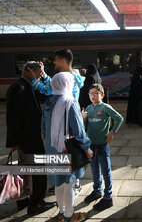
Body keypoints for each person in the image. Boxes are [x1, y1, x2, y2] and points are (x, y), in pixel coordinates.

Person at [23, 49, 85, 193]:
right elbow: (54, 85)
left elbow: (47, 90)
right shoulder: (72, 76)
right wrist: (44, 74)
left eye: (56, 60)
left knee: (64, 153)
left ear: (63, 60)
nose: (54, 62)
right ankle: (70, 182)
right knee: (68, 152)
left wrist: (33, 79)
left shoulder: (66, 78)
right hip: (67, 120)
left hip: (63, 122)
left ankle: (69, 184)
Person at [6, 61, 56, 214]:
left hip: (30, 137)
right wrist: (14, 142)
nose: (40, 76)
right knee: (39, 171)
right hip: (27, 138)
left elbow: (48, 92)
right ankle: (36, 203)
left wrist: (42, 77)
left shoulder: (27, 85)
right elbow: (13, 117)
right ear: (29, 70)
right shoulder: (19, 88)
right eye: (38, 73)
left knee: (26, 170)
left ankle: (24, 201)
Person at [42, 72, 92, 222]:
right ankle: (70, 216)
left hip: (51, 148)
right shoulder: (70, 102)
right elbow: (78, 130)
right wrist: (86, 147)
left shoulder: (48, 103)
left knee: (58, 183)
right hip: (66, 149)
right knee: (69, 184)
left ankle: (61, 213)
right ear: (67, 84)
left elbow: (44, 129)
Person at [82, 83, 123, 211]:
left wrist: (112, 133)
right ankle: (97, 191)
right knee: (94, 169)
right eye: (91, 94)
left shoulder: (105, 107)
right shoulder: (88, 108)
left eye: (96, 93)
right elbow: (85, 126)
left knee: (105, 170)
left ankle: (108, 197)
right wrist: (83, 118)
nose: (93, 96)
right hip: (91, 145)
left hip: (102, 145)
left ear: (102, 95)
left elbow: (119, 118)